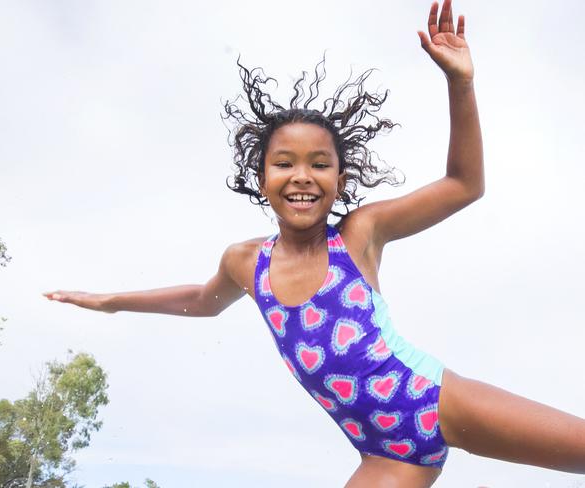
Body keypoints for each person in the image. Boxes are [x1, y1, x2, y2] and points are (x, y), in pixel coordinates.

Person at [43, 1, 585, 486]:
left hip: (435, 400)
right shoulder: (244, 262)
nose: (302, 176)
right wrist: (111, 302)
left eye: (319, 164)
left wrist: (460, 83)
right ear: (262, 180)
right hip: (385, 455)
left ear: (339, 181)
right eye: (284, 163)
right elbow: (199, 301)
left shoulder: (361, 234)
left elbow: (465, 185)